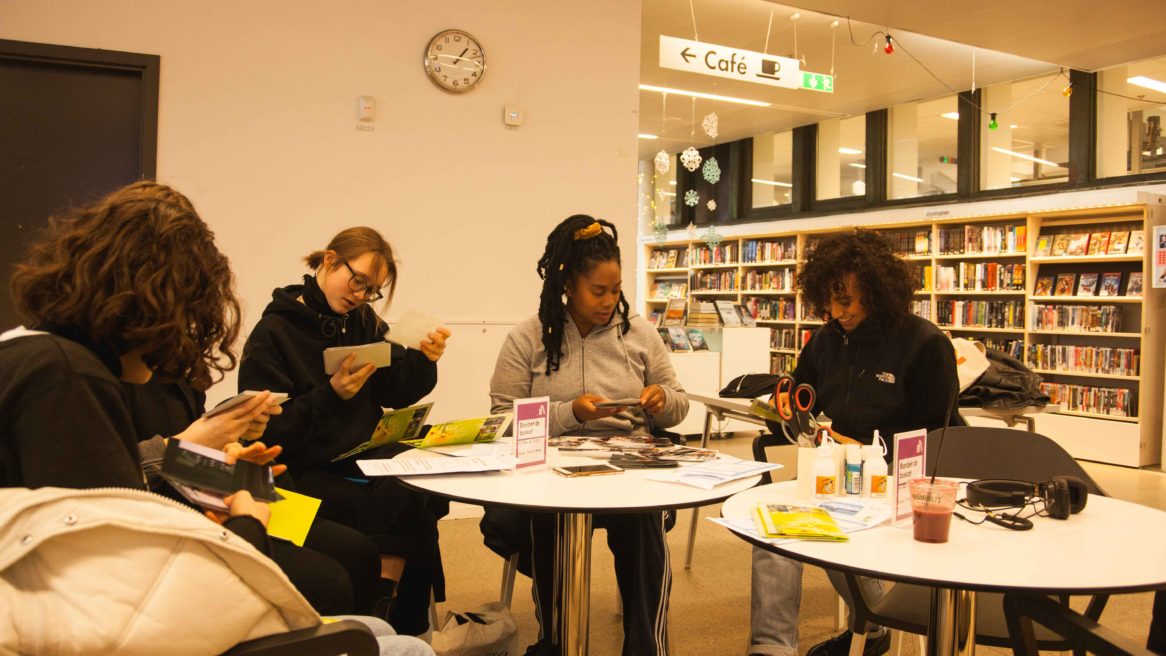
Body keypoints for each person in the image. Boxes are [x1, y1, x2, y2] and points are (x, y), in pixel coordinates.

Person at [0, 181, 432, 655]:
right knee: (340, 580)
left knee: (364, 550)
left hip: (204, 498)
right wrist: (238, 509)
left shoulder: (66, 361)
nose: (179, 342)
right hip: (150, 565)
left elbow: (124, 487)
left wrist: (228, 462)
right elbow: (113, 550)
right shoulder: (67, 377)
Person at [749, 229, 961, 656]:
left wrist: (866, 450)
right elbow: (802, 393)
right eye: (829, 299)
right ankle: (772, 649)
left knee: (834, 532)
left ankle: (874, 624)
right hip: (836, 475)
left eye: (845, 300)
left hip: (899, 489)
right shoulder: (827, 340)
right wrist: (786, 407)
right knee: (775, 532)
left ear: (876, 292)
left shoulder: (924, 344)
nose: (835, 311)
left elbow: (937, 442)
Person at [487, 214, 689, 655]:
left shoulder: (640, 333)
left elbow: (679, 402)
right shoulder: (528, 338)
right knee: (552, 520)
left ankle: (646, 648)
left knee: (642, 519)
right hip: (554, 472)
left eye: (615, 289)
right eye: (598, 291)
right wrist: (569, 413)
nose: (609, 300)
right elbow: (500, 420)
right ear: (568, 284)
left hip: (629, 467)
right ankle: (558, 642)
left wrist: (661, 400)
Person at [238, 226, 451, 636]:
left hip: (357, 457)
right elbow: (266, 433)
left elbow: (397, 389)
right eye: (358, 281)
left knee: (414, 474)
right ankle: (394, 624)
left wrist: (425, 359)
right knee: (407, 501)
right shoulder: (274, 333)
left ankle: (386, 620)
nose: (360, 295)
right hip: (302, 471)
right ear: (330, 260)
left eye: (371, 290)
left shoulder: (362, 321)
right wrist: (330, 396)